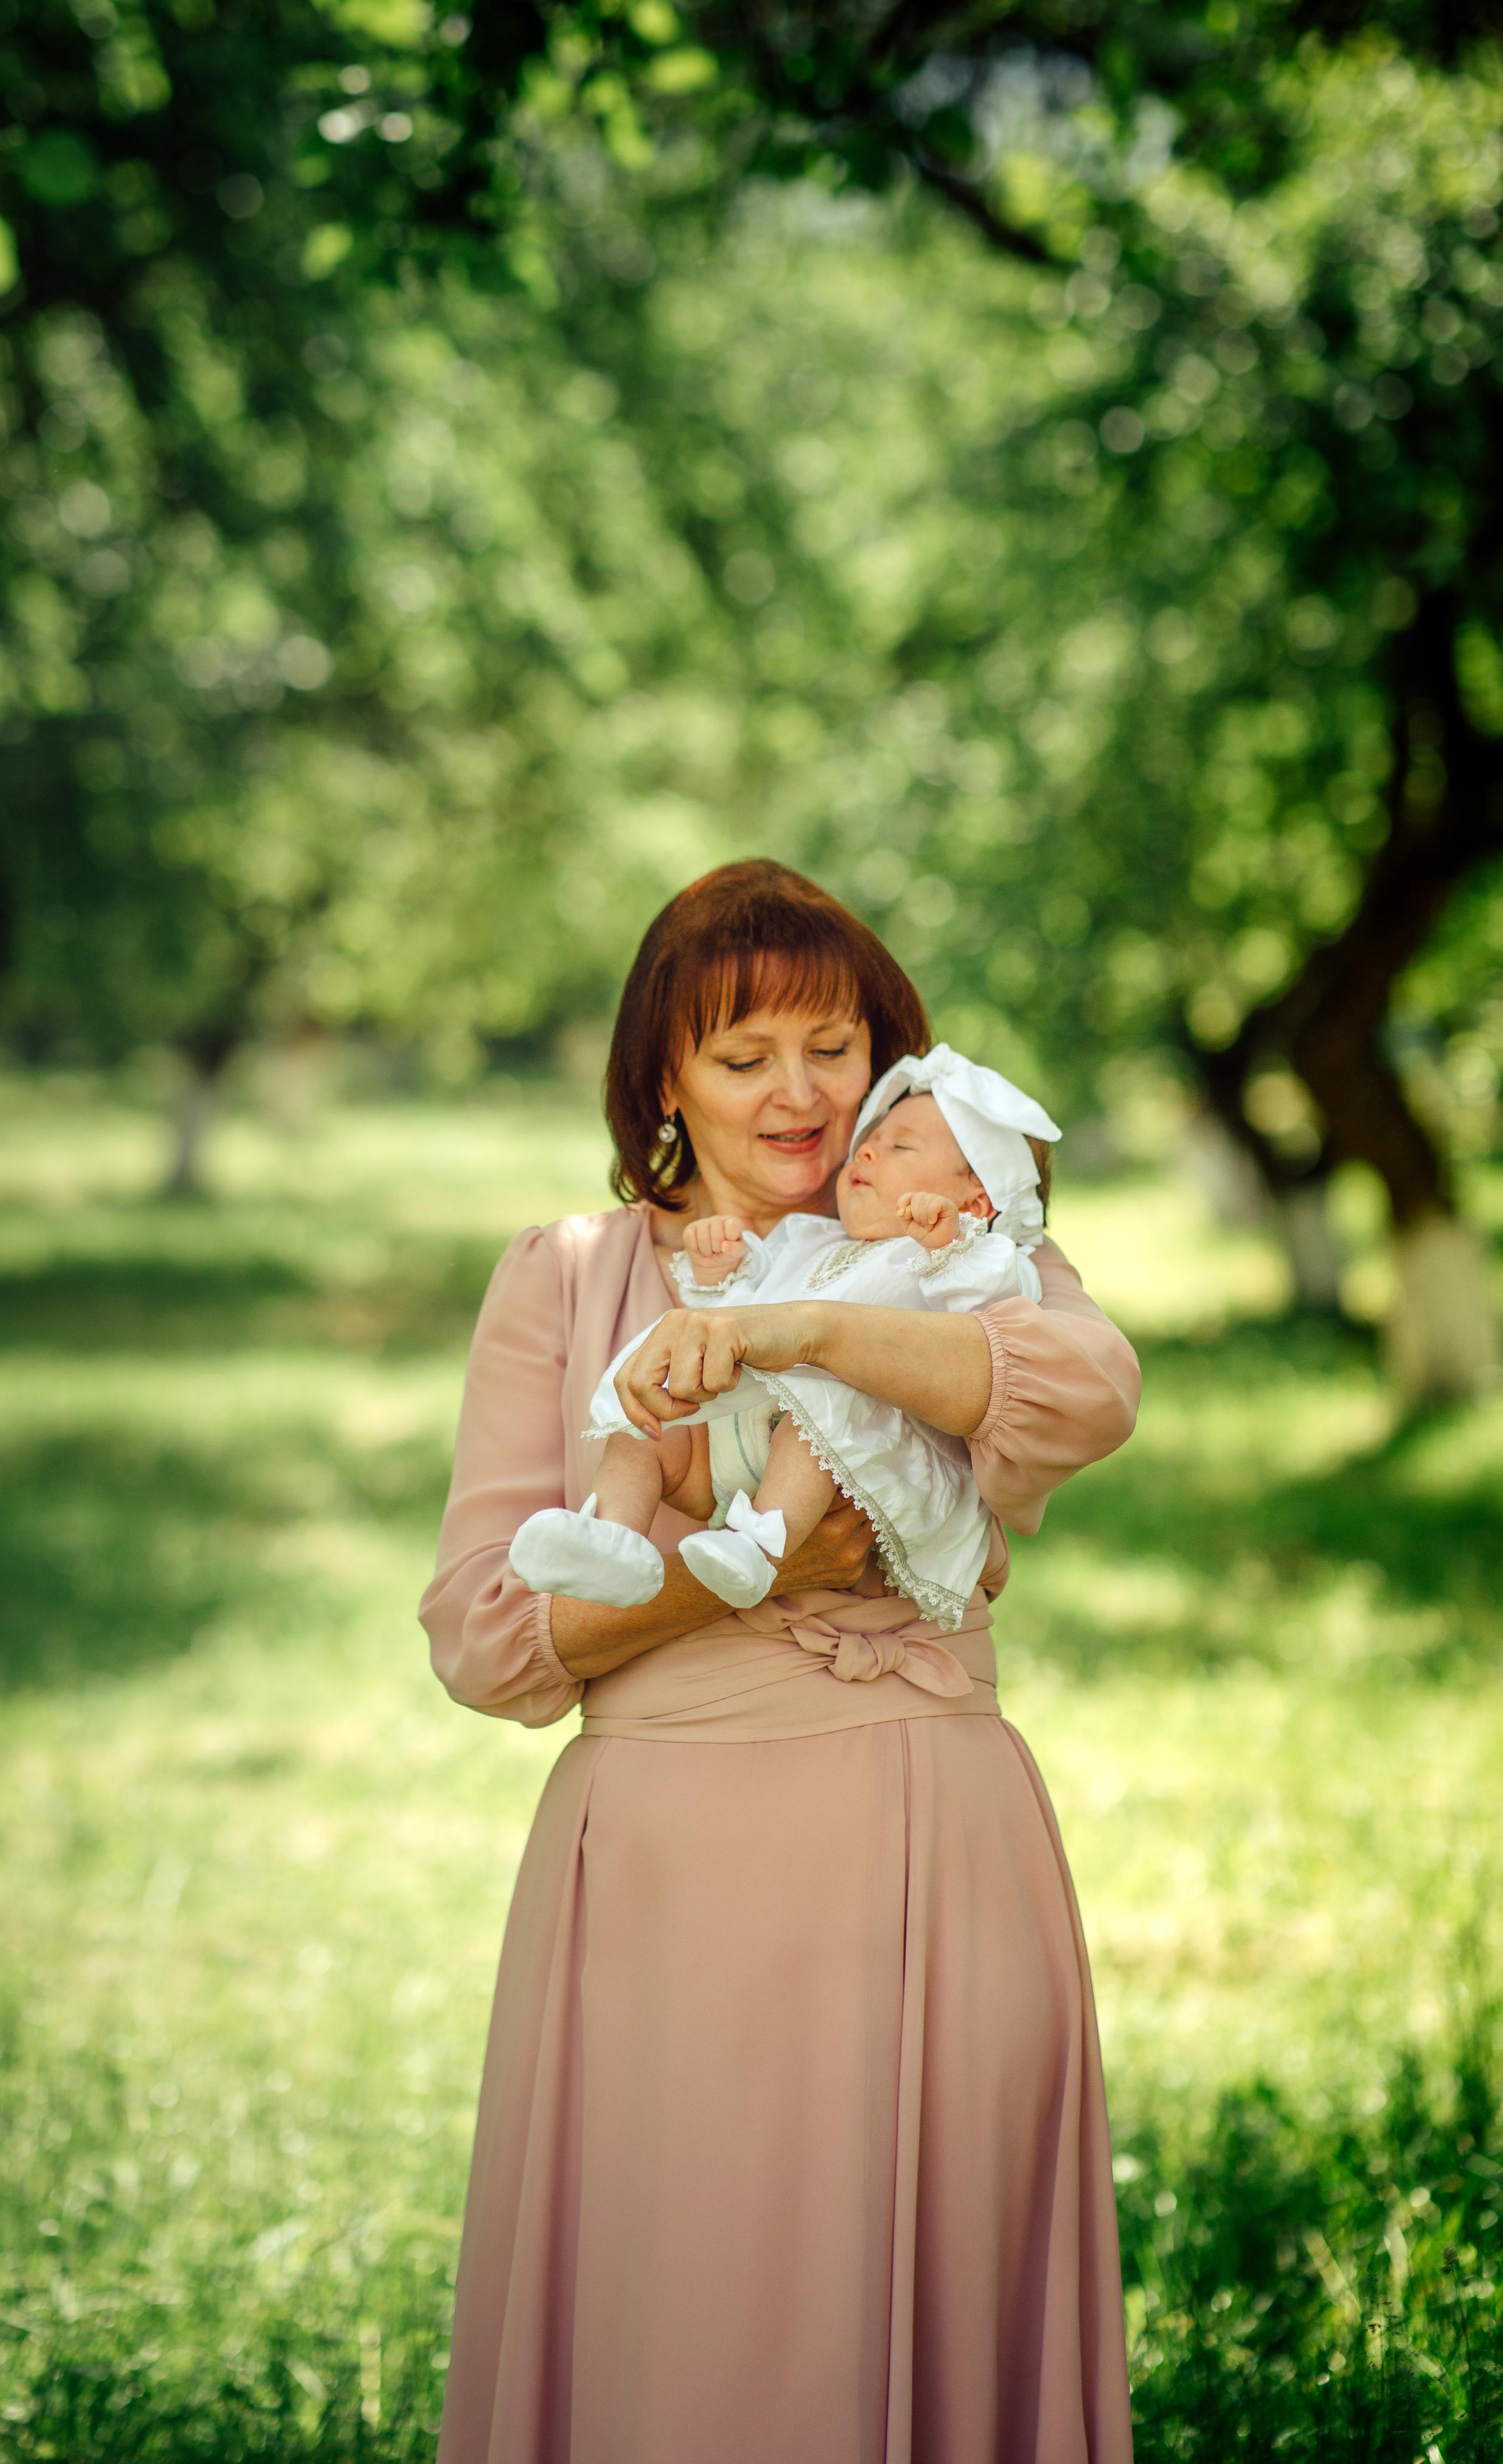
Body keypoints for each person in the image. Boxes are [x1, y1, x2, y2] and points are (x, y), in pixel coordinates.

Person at [420, 860, 1141, 2464]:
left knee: (924, 2302)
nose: (796, 1094)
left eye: (830, 1044)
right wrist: (716, 1583)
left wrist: (798, 1328)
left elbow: (1086, 1393)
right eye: (740, 1058)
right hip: (664, 1882)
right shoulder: (564, 1273)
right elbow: (482, 1635)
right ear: (661, 1080)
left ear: (885, 1048)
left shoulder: (963, 1240)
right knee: (678, 2348)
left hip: (923, 1849)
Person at [507, 1046, 1064, 1636]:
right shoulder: (814, 1237)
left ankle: (757, 1546)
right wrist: (725, 1272)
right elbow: (751, 1307)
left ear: (977, 1202)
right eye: (872, 1138)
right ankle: (611, 1538)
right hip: (735, 1439)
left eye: (901, 1146)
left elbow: (996, 1310)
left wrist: (955, 1244)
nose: (868, 1149)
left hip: (837, 1459)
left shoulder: (974, 1259)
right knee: (652, 1422)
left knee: (825, 1410)